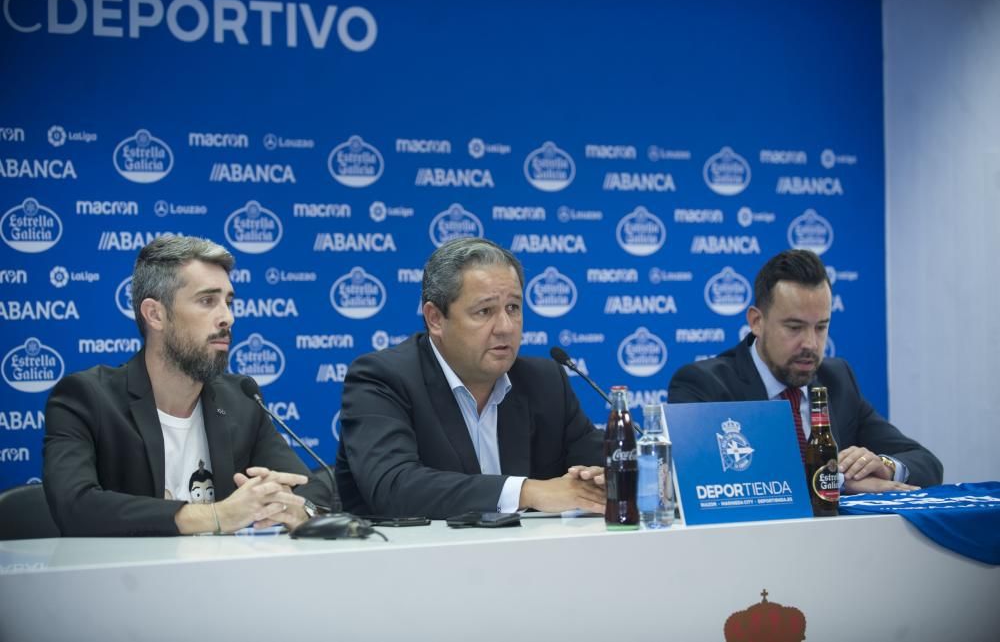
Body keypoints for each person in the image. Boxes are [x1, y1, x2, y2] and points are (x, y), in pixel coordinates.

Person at [43, 235, 334, 536]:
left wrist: (295, 507)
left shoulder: (241, 400)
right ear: (156, 314)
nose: (227, 317)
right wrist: (217, 516)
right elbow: (74, 507)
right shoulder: (87, 399)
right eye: (208, 301)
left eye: (228, 302)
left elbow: (310, 488)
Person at [335, 237, 606, 518]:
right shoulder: (383, 379)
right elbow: (394, 486)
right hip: (414, 559)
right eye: (484, 311)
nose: (505, 327)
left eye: (513, 308)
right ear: (435, 319)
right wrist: (529, 491)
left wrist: (603, 478)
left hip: (529, 559)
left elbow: (596, 461)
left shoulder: (544, 381)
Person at [668, 249, 943, 492]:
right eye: (794, 327)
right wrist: (838, 482)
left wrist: (882, 466)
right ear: (756, 321)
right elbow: (706, 485)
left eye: (821, 326)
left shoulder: (837, 380)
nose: (811, 343)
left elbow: (926, 462)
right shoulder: (704, 385)